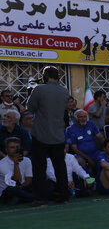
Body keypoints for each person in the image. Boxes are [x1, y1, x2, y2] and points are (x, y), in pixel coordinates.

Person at [26, 66, 70, 205]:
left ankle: (41, 197)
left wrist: (32, 91)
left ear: (45, 76)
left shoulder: (39, 89)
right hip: (58, 135)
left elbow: (30, 107)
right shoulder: (64, 91)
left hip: (41, 134)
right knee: (60, 167)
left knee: (39, 167)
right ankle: (63, 195)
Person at [66, 109, 104, 173]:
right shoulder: (72, 129)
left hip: (94, 152)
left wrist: (105, 148)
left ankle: (99, 179)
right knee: (79, 161)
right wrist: (88, 158)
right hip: (81, 155)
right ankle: (88, 178)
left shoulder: (91, 124)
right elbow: (74, 148)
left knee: (105, 157)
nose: (84, 119)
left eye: (85, 116)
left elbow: (101, 137)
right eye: (81, 117)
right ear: (76, 118)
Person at [0, 137, 35, 204]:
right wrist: (16, 163)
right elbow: (16, 181)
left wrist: (22, 187)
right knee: (13, 190)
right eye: (12, 147)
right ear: (6, 150)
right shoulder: (2, 164)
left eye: (17, 147)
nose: (15, 149)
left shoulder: (26, 160)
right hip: (8, 189)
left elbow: (28, 179)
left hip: (22, 187)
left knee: (43, 184)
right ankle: (34, 198)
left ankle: (21, 198)